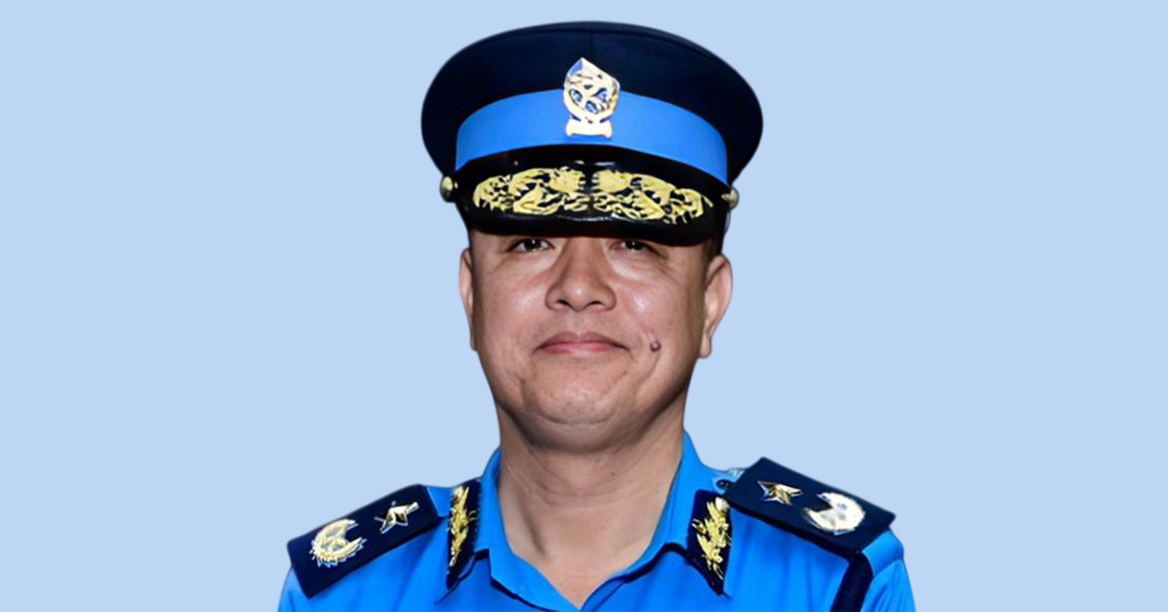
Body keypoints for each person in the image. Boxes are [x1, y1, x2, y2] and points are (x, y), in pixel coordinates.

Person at [278, 22, 915, 611]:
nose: (578, 288)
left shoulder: (833, 586)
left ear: (710, 303)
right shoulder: (346, 596)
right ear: (472, 297)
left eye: (634, 244)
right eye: (532, 243)